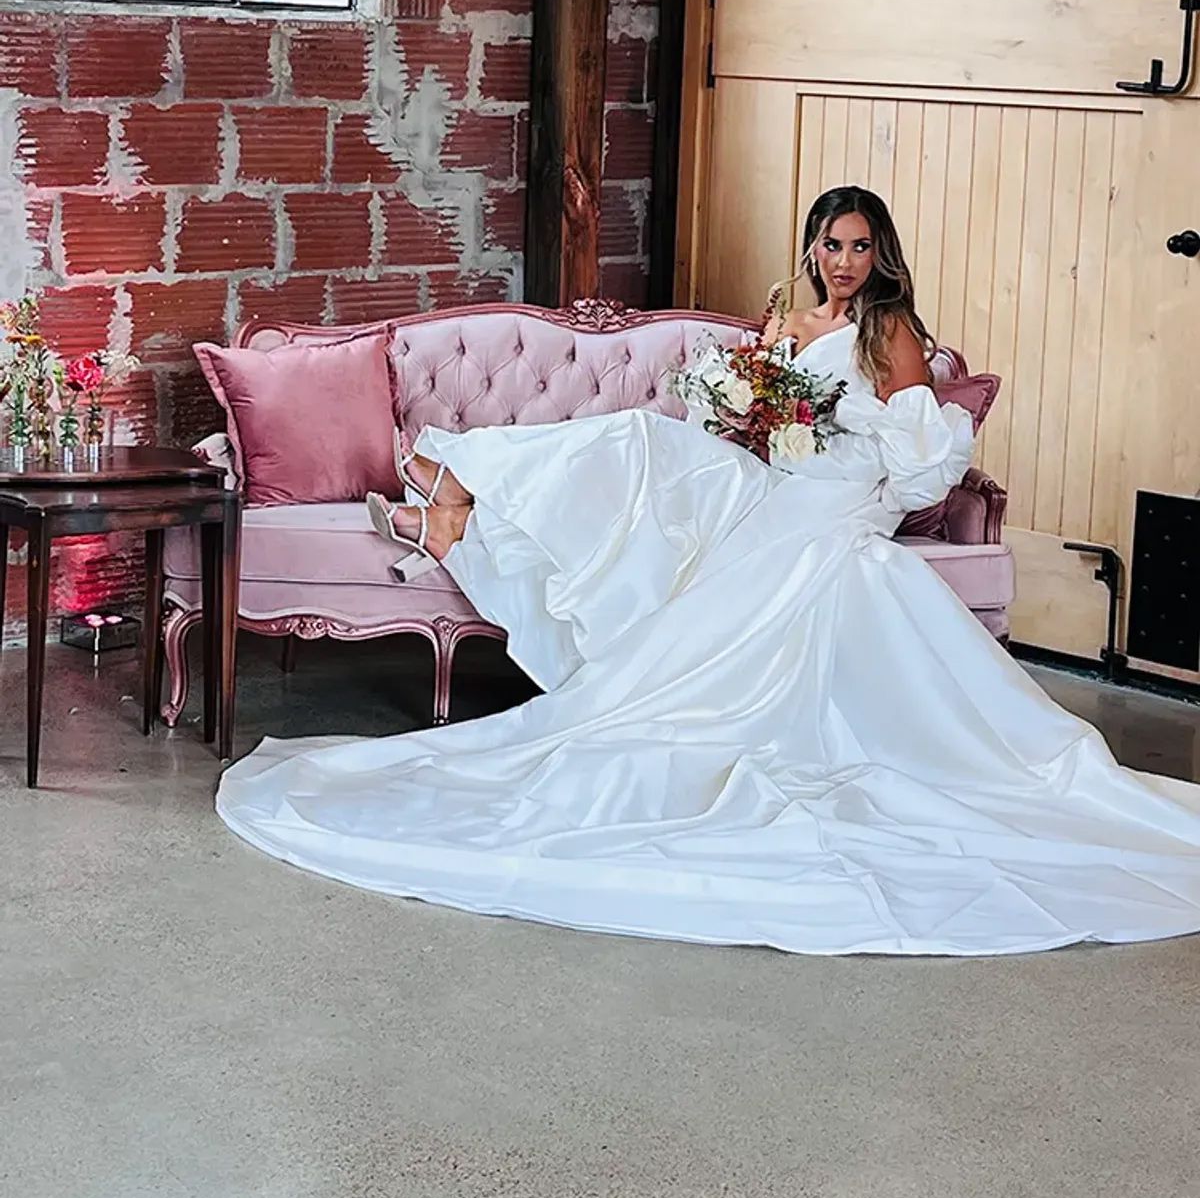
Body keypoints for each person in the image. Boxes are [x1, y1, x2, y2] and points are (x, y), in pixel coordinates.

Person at [216, 187, 1200, 957]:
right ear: (811, 248)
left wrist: (844, 425)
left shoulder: (889, 331)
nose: (845, 262)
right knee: (648, 442)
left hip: (839, 500)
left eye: (860, 245)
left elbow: (920, 467)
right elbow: (752, 420)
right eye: (831, 244)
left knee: (651, 459)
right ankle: (456, 494)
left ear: (881, 252)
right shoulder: (788, 324)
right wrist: (751, 413)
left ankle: (452, 497)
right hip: (775, 478)